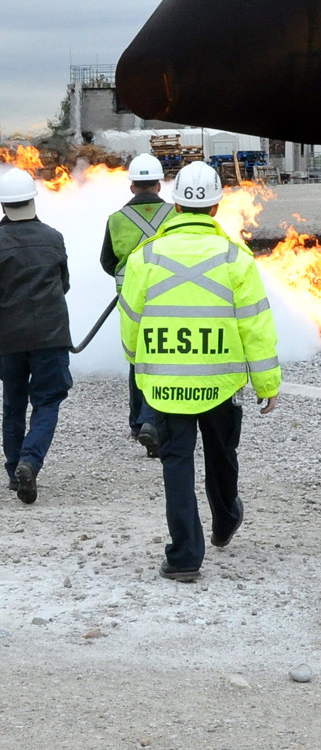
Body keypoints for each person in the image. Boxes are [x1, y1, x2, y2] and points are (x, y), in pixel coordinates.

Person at [119, 160, 280, 581]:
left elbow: (130, 322)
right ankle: (226, 520)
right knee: (222, 453)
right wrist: (267, 382)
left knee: (176, 463)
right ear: (215, 206)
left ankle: (186, 556)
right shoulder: (235, 257)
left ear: (174, 205)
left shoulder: (145, 256)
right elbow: (256, 325)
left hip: (167, 384)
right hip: (220, 383)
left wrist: (141, 363)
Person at [0, 167, 72, 505]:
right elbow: (63, 284)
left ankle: (15, 470)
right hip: (51, 338)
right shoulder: (54, 238)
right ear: (32, 200)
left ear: (2, 207)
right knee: (47, 401)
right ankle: (31, 460)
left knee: (13, 402)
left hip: (9, 341)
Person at [101, 153, 175, 458]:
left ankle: (138, 423)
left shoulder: (116, 220)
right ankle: (152, 420)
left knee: (137, 358)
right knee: (164, 357)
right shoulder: (175, 214)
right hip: (170, 297)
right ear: (159, 184)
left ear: (132, 187)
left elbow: (107, 262)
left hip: (132, 301)